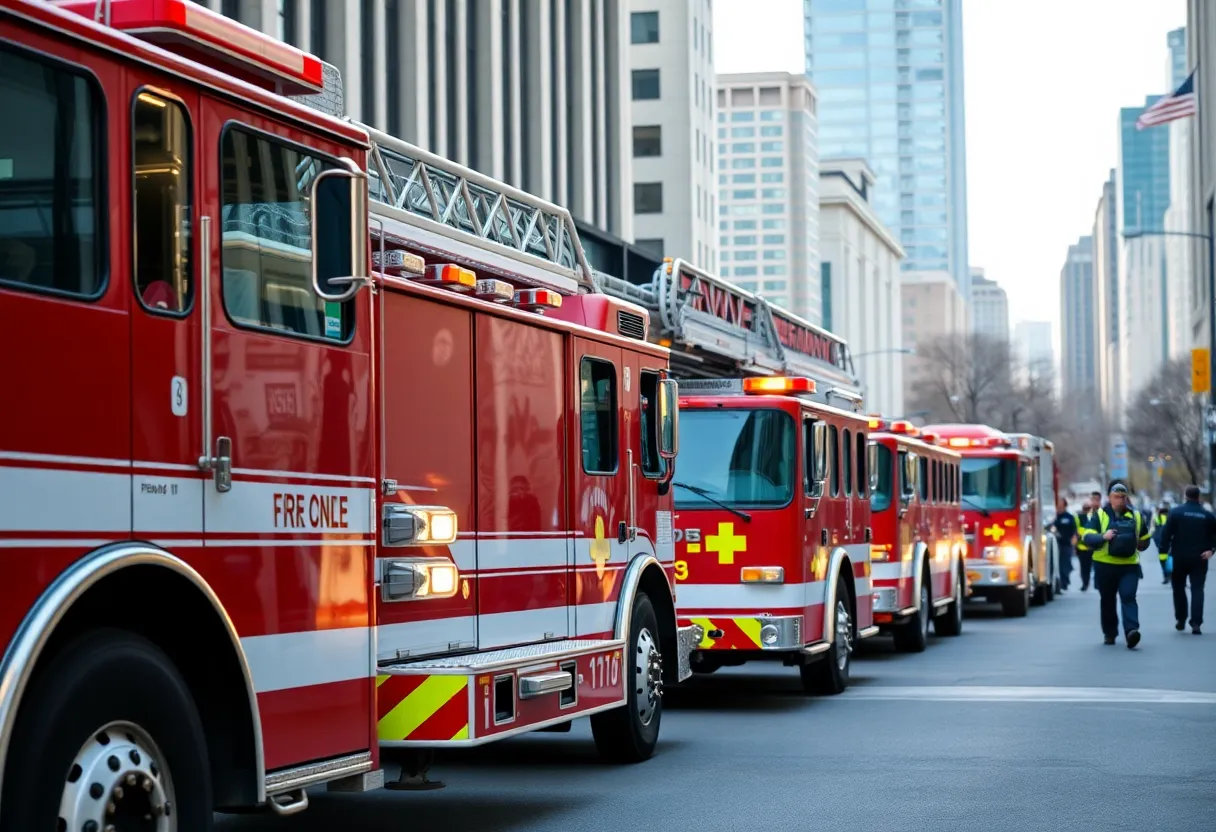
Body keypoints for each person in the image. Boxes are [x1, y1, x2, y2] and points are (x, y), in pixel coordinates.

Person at [1081, 483, 1152, 648]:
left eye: (1122, 496)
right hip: (1105, 566)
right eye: (1116, 496)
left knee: (1128, 596)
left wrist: (1139, 544)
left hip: (1129, 566)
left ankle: (1132, 631)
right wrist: (1103, 537)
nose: (1120, 500)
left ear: (1126, 497)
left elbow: (1145, 539)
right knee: (1107, 600)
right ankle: (1110, 634)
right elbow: (1087, 537)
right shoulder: (1099, 515)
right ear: (1109, 497)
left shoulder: (1137, 516)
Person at [1156, 485, 1216, 635]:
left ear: (1185, 495)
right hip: (1200, 558)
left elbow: (1166, 534)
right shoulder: (1207, 515)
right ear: (1198, 497)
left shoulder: (1176, 513)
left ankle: (1181, 619)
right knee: (1197, 589)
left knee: (1178, 588)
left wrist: (1163, 551)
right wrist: (1212, 550)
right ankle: (1196, 623)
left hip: (1179, 557)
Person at [1049, 497, 1077, 592]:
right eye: (1058, 504)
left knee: (1066, 564)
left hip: (1067, 544)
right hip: (1056, 544)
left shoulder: (1069, 517)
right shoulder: (1054, 517)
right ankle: (1059, 585)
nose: (1059, 506)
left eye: (1061, 504)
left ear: (1065, 505)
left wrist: (1074, 542)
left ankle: (1064, 583)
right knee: (1057, 565)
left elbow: (1074, 530)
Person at [1075, 498, 1095, 591]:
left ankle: (1093, 583)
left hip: (1092, 547)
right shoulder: (1078, 517)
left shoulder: (1094, 517)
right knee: (1084, 568)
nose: (1086, 510)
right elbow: (1076, 530)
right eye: (1085, 508)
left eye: (1088, 508)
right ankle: (1085, 583)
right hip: (1082, 547)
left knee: (1092, 567)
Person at [1153, 504, 1172, 585]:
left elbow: (1154, 531)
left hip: (1160, 544)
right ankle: (1171, 576)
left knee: (1163, 561)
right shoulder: (1171, 518)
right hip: (1170, 544)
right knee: (1171, 561)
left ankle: (1166, 577)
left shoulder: (1157, 518)